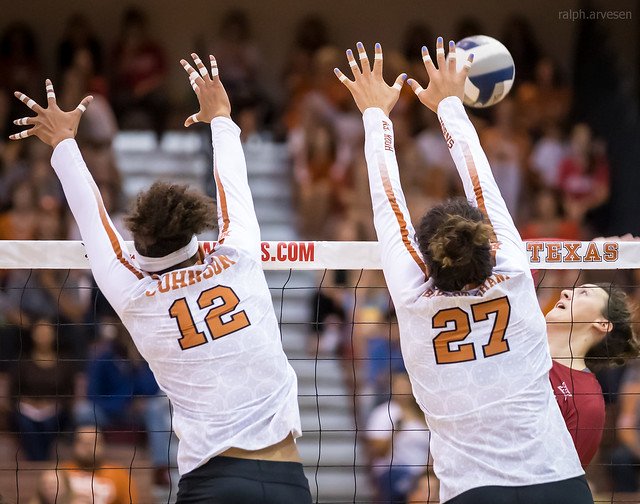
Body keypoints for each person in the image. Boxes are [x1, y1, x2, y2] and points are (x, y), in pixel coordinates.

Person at [10, 53, 311, 503]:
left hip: (210, 482)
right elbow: (235, 190)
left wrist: (64, 142)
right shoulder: (239, 261)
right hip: (284, 479)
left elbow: (94, 220)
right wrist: (222, 119)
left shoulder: (135, 295)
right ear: (194, 234)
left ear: (139, 245)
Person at [334, 39, 592, 503]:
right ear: (488, 244)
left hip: (474, 491)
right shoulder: (513, 274)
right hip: (556, 480)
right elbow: (482, 182)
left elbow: (387, 204)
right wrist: (449, 104)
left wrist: (377, 115)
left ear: (425, 259)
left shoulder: (413, 298)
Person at [546, 283, 638, 467]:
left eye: (584, 293)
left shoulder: (587, 400)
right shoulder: (515, 346)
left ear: (602, 324)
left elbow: (565, 475)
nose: (564, 291)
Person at [58, 424, 140, 504]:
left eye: (93, 442)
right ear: (74, 445)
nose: (88, 447)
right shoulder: (61, 473)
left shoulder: (119, 475)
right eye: (82, 442)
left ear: (102, 445)